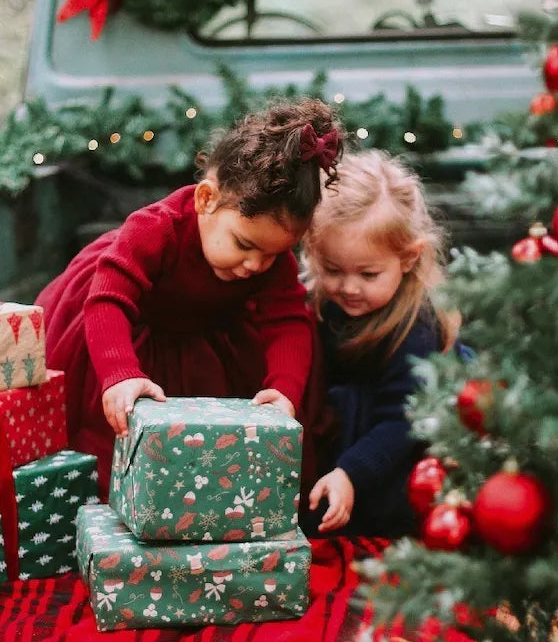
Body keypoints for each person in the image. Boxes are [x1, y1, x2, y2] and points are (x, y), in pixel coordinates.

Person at [36, 99, 343, 497]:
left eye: (272, 254)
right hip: (121, 331)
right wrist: (121, 374)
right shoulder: (155, 228)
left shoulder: (269, 261)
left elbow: (287, 321)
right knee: (108, 444)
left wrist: (283, 390)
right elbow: (109, 300)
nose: (255, 265)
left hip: (204, 341)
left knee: (208, 465)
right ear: (205, 199)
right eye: (244, 245)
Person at [300, 149, 465, 538]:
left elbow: (402, 422)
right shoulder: (317, 300)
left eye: (369, 273)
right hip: (343, 435)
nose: (349, 287)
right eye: (333, 269)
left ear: (408, 258)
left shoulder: (416, 325)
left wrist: (350, 474)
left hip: (395, 450)